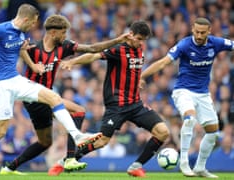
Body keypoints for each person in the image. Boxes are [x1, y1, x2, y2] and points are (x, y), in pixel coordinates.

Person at [0, 4, 102, 175]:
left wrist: (33, 66)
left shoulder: (21, 33)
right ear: (25, 19)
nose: (33, 27)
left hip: (15, 79)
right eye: (32, 23)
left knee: (54, 97)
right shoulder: (0, 30)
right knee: (0, 131)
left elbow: (22, 49)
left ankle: (77, 136)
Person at [0, 14, 129, 176]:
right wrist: (23, 53)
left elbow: (92, 48)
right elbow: (12, 49)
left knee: (45, 142)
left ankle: (9, 168)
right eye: (63, 33)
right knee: (78, 111)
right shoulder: (32, 48)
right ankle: (70, 158)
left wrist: (117, 40)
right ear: (53, 33)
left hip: (45, 97)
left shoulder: (64, 46)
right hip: (33, 97)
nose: (65, 36)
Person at [60, 21, 170, 178]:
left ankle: (135, 166)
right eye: (138, 38)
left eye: (143, 40)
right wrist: (73, 61)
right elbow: (94, 56)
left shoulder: (140, 49)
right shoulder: (118, 49)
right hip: (116, 106)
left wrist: (138, 79)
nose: (140, 43)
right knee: (102, 141)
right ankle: (70, 159)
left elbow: (132, 68)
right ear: (130, 34)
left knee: (163, 132)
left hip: (136, 104)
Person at [140, 17, 234, 178]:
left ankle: (200, 167)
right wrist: (142, 75)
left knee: (213, 133)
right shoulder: (184, 45)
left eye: (202, 33)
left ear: (209, 32)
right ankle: (183, 162)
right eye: (196, 31)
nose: (198, 35)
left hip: (203, 94)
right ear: (192, 29)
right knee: (190, 119)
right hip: (183, 91)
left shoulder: (216, 43)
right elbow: (163, 62)